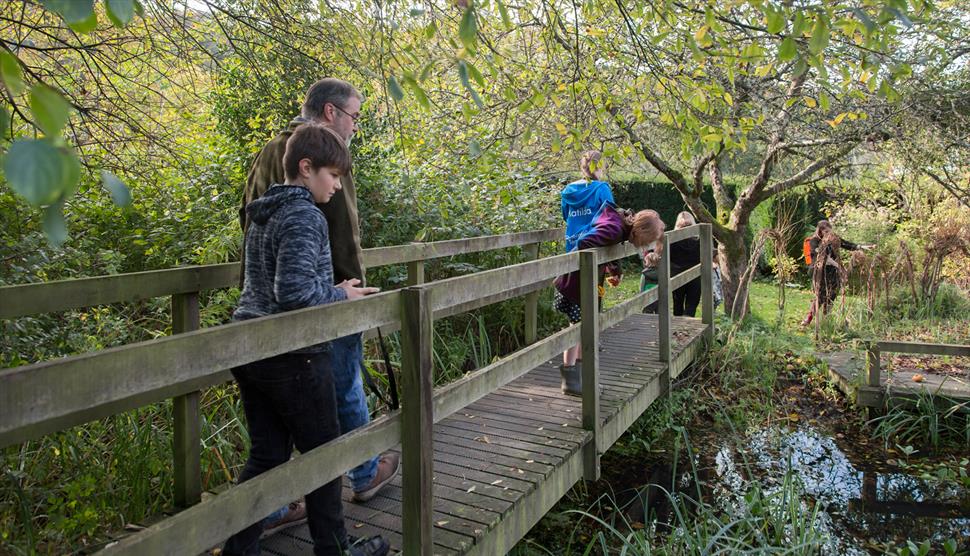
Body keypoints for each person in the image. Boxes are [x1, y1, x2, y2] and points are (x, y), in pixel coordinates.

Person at [223, 124, 387, 556]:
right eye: (332, 175)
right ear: (305, 167)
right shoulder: (304, 215)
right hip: (293, 356)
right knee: (324, 455)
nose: (336, 185)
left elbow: (279, 280)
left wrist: (332, 286)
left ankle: (240, 549)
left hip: (252, 348)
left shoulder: (264, 212)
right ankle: (333, 549)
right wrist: (341, 293)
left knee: (268, 457)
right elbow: (292, 294)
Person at [243, 79, 399, 522]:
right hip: (323, 299)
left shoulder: (276, 149)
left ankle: (271, 508)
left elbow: (250, 216)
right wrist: (347, 292)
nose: (355, 126)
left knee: (280, 415)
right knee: (344, 387)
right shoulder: (321, 152)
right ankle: (364, 474)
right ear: (331, 113)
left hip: (269, 305)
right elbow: (341, 236)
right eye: (354, 116)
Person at [553, 207, 666, 395]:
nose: (645, 245)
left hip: (584, 284)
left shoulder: (619, 226)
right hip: (574, 283)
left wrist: (614, 270)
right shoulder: (614, 229)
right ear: (641, 232)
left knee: (585, 328)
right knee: (577, 329)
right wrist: (599, 264)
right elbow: (585, 243)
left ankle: (581, 378)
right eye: (647, 241)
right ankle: (570, 379)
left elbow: (608, 247)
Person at [801, 219, 867, 326]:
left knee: (832, 293)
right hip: (820, 271)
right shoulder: (814, 241)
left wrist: (861, 247)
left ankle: (826, 318)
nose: (828, 234)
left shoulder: (833, 239)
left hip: (832, 270)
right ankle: (809, 318)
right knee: (821, 295)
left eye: (829, 231)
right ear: (820, 231)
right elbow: (822, 257)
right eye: (826, 232)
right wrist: (838, 266)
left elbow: (845, 244)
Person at [562, 150, 616, 253]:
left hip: (572, 245)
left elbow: (565, 216)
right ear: (600, 166)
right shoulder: (602, 188)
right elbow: (611, 218)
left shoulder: (568, 190)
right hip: (594, 245)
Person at [668, 211, 701, 317]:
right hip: (695, 276)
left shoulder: (671, 240)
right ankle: (688, 328)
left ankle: (677, 329)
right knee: (691, 305)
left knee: (677, 305)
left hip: (676, 275)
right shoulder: (700, 240)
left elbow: (668, 258)